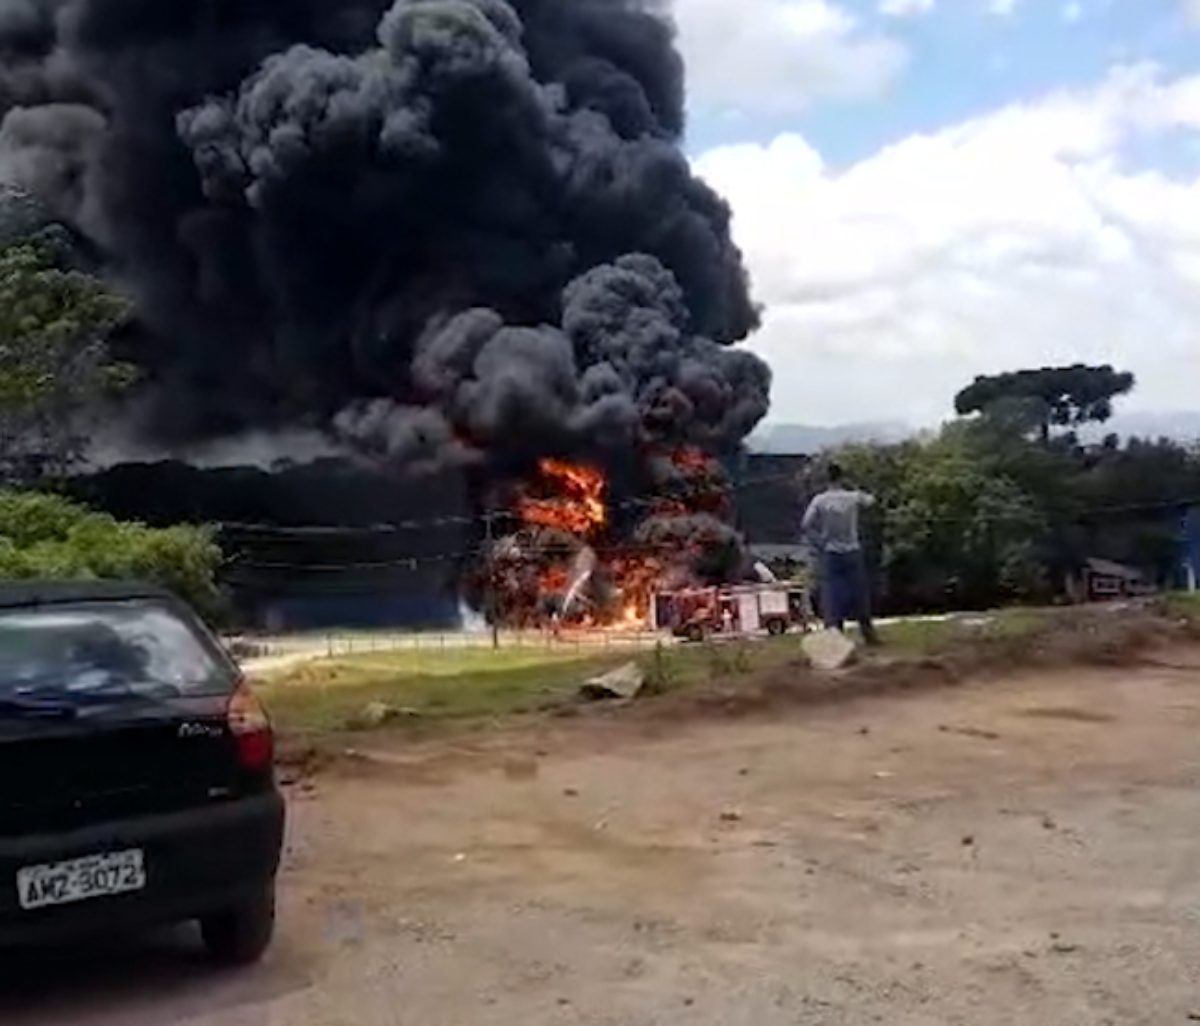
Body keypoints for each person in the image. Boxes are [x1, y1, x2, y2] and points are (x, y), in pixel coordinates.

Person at [802, 462, 880, 646]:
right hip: (852, 549)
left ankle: (834, 636)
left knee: (831, 596)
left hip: (830, 552)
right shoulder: (852, 497)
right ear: (841, 477)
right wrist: (855, 487)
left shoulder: (820, 500)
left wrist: (819, 541)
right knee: (860, 593)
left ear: (826, 479)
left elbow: (805, 524)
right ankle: (868, 634)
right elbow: (871, 501)